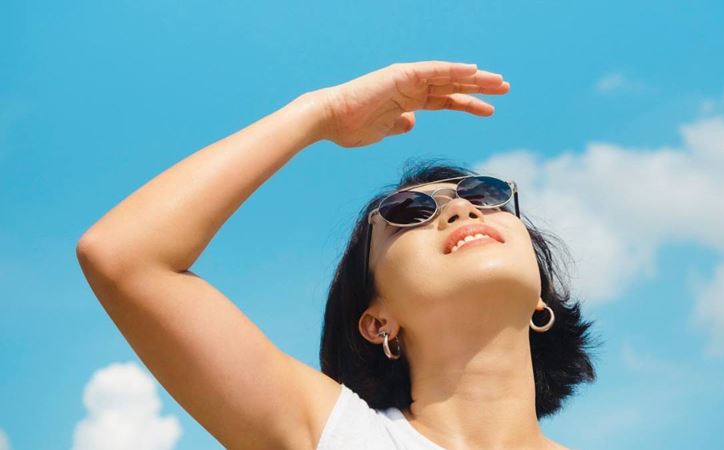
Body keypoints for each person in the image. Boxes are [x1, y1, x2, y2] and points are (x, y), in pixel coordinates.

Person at [76, 60, 599, 449]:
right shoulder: (340, 437)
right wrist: (320, 113)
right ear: (376, 322)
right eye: (409, 212)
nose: (461, 208)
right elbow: (125, 256)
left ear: (541, 299)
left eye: (485, 194)